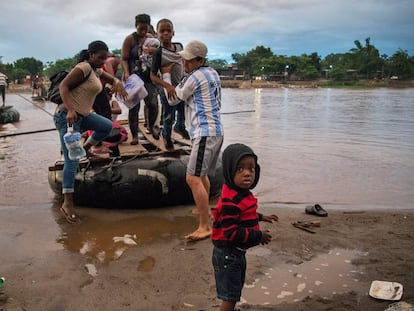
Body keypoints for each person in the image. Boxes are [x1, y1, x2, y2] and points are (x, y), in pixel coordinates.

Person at [54, 40, 127, 224]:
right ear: (91, 55)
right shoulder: (84, 67)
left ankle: (85, 147)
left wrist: (117, 82)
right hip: (67, 117)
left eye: (105, 57)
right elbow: (64, 86)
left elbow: (110, 78)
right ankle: (67, 203)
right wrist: (70, 109)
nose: (103, 61)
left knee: (106, 126)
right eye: (100, 57)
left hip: (83, 116)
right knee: (71, 161)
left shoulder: (96, 70)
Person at [166, 40, 224, 240]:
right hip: (216, 131)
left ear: (200, 60)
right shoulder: (212, 72)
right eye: (184, 60)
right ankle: (204, 210)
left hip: (204, 132)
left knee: (192, 178)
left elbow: (174, 98)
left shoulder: (195, 76)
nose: (185, 64)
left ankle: (205, 226)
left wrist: (165, 78)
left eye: (188, 61)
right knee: (203, 175)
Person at [211, 143, 279, 311]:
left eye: (251, 169)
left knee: (234, 289)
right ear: (229, 171)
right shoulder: (230, 201)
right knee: (230, 296)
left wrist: (262, 217)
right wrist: (258, 236)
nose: (247, 173)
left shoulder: (240, 195)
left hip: (236, 253)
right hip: (229, 254)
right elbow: (232, 232)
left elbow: (244, 216)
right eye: (240, 169)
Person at [121, 13, 160, 145]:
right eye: (140, 29)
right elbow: (124, 59)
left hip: (148, 76)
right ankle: (134, 135)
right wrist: (126, 73)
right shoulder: (130, 39)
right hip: (134, 76)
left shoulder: (151, 39)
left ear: (148, 26)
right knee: (134, 107)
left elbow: (158, 56)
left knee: (153, 103)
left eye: (145, 28)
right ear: (136, 26)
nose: (143, 31)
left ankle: (151, 126)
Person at [150, 18, 189, 151]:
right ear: (157, 33)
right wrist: (167, 86)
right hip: (166, 88)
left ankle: (180, 127)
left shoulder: (179, 47)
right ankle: (166, 135)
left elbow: (184, 63)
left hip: (181, 85)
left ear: (173, 33)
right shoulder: (158, 52)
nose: (165, 33)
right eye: (162, 31)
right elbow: (153, 76)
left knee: (183, 109)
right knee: (169, 113)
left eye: (168, 31)